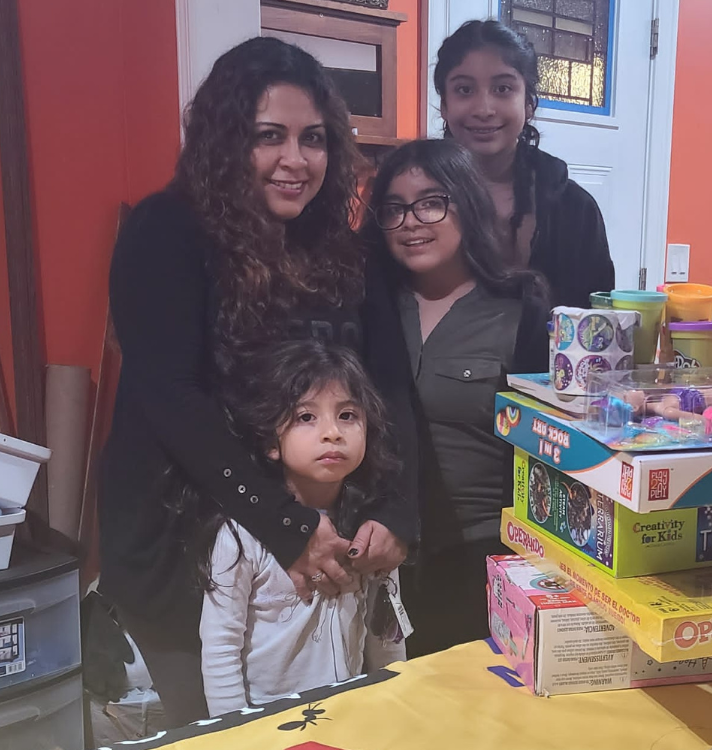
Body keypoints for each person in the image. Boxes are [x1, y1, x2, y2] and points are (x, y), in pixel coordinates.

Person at [99, 37, 417, 726]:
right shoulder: (167, 231)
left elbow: (388, 389)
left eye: (313, 138)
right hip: (184, 546)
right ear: (225, 141)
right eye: (268, 136)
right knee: (222, 729)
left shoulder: (342, 250)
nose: (295, 160)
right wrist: (283, 522)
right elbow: (168, 396)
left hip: (318, 542)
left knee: (326, 723)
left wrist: (399, 511)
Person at [359, 139, 548, 656]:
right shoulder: (364, 306)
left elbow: (547, 443)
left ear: (467, 203)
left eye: (431, 203)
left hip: (483, 556)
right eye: (394, 209)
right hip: (375, 553)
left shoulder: (520, 310)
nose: (411, 222)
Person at [192, 340, 405, 716]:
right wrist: (237, 733)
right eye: (306, 417)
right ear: (270, 442)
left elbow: (385, 629)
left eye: (348, 415)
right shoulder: (241, 536)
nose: (332, 432)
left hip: (352, 715)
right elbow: (220, 646)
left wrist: (395, 704)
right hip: (270, 724)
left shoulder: (371, 528)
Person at [434, 20, 614, 309]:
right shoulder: (411, 202)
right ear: (445, 105)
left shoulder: (576, 209)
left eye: (503, 88)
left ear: (529, 104)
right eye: (465, 90)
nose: (484, 109)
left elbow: (596, 320)